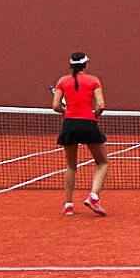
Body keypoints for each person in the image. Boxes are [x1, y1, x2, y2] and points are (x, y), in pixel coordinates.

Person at [50, 51, 110, 216]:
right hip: (88, 123)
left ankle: (69, 205)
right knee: (102, 162)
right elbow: (101, 105)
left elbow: (55, 106)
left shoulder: (62, 81)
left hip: (69, 124)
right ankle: (93, 196)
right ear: (85, 65)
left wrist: (66, 111)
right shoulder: (94, 81)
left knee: (70, 166)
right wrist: (94, 116)